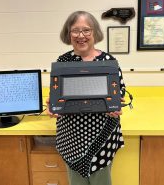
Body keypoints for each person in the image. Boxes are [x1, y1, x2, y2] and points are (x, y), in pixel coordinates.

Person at [46, 11, 126, 185]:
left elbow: (119, 94)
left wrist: (117, 106)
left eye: (86, 30)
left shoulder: (108, 60)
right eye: (75, 31)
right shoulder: (63, 61)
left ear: (95, 33)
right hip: (71, 138)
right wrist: (52, 105)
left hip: (102, 138)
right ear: (68, 33)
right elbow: (56, 94)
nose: (81, 36)